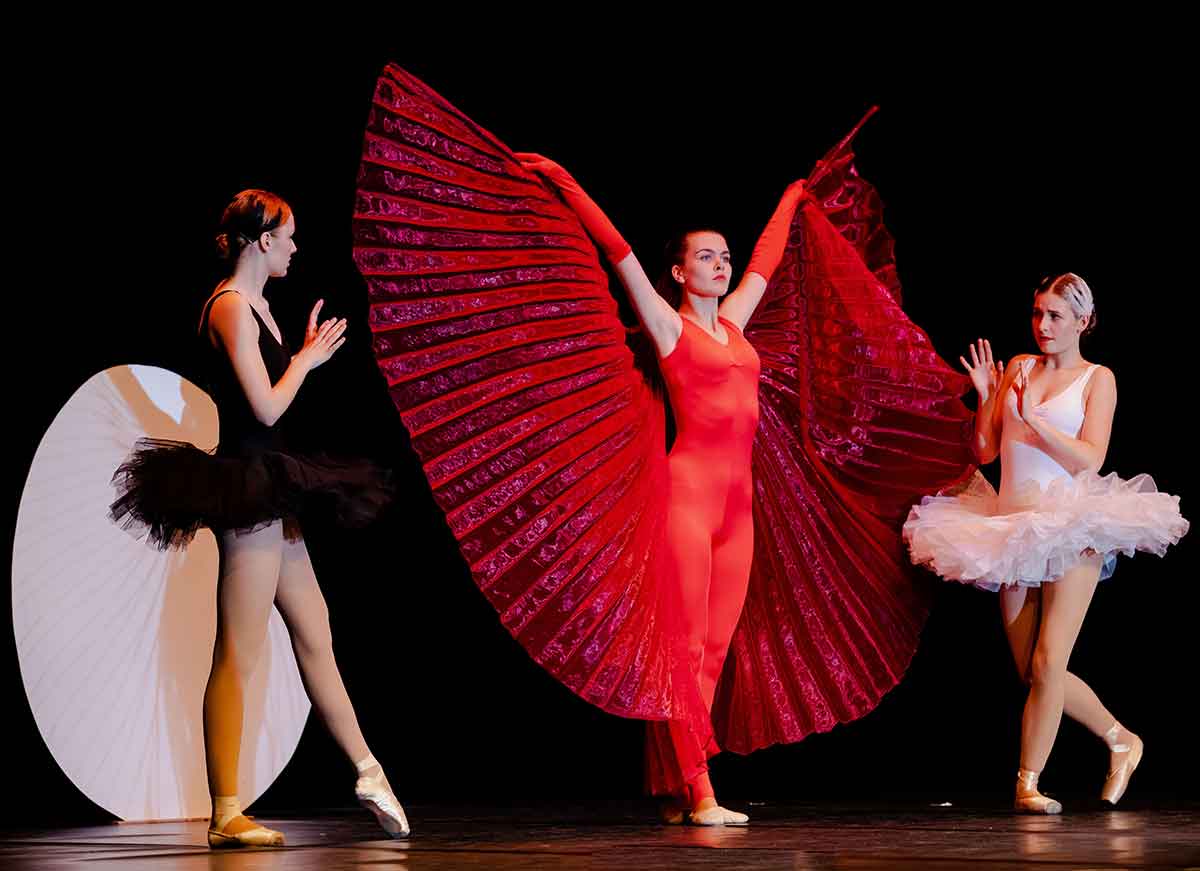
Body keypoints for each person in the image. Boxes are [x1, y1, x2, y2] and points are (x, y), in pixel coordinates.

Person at [111, 190, 408, 846]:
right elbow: (266, 409)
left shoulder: (263, 309)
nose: (297, 248)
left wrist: (298, 349)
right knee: (238, 650)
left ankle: (367, 768)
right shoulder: (228, 308)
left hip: (273, 486)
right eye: (290, 236)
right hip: (245, 486)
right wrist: (306, 360)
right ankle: (225, 811)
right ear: (260, 240)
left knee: (316, 631)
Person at [904, 273, 1188, 813]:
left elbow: (1091, 457)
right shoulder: (1018, 367)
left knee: (1051, 660)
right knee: (1032, 671)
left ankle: (1028, 783)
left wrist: (1035, 422)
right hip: (1012, 528)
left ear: (1083, 321)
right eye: (1037, 313)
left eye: (1055, 316)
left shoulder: (1096, 379)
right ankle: (1122, 738)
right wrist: (989, 399)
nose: (1043, 325)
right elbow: (986, 452)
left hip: (1072, 526)